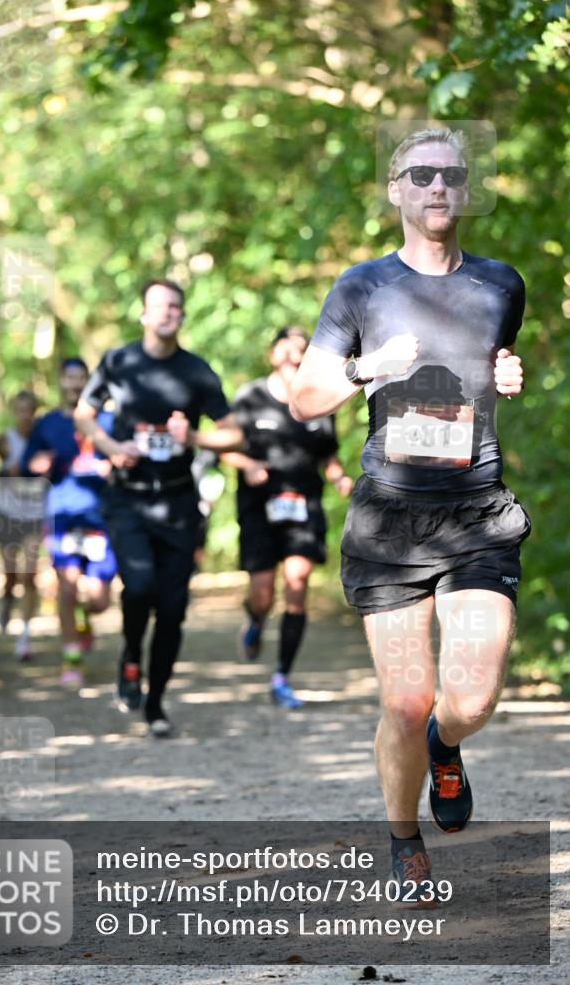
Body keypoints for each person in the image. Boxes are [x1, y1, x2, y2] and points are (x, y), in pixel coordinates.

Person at [290, 127, 528, 904]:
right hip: (389, 518)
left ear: (464, 190)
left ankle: (445, 746)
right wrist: (366, 369)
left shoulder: (500, 284)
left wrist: (507, 373)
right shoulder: (361, 289)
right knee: (403, 698)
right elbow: (303, 398)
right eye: (419, 174)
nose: (436, 187)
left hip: (475, 513)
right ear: (394, 190)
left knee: (469, 699)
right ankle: (402, 841)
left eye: (450, 175)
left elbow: (494, 365)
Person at [74, 278, 243, 737]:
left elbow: (233, 433)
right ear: (144, 314)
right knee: (139, 587)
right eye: (159, 306)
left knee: (171, 608)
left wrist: (195, 437)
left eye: (175, 307)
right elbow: (84, 414)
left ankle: (155, 703)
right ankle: (131, 655)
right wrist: (110, 445)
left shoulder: (197, 372)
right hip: (128, 496)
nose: (167, 313)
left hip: (177, 501)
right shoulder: (119, 361)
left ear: (182, 316)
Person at [222, 327, 353, 708]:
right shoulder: (250, 397)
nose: (295, 354)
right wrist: (246, 464)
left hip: (303, 504)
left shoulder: (317, 398)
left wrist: (338, 476)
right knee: (263, 593)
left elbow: (328, 453)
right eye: (287, 347)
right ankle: (257, 619)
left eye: (302, 348)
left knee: (297, 584)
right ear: (273, 353)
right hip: (259, 506)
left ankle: (282, 676)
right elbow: (223, 445)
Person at [20, 359, 117, 687]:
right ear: (60, 382)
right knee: (67, 586)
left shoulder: (107, 420)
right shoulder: (47, 424)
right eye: (69, 378)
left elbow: (128, 459)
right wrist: (37, 465)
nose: (75, 384)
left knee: (99, 600)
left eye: (81, 378)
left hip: (101, 518)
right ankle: (71, 658)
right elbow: (25, 466)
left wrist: (114, 466)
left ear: (90, 383)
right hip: (62, 515)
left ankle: (84, 621)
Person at [0, 390, 45, 660]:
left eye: (30, 410)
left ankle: (24, 638)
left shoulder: (43, 440)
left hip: (35, 515)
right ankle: (6, 601)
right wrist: (4, 474)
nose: (25, 415)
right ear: (14, 412)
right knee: (11, 575)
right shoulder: (4, 440)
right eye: (20, 410)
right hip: (6, 514)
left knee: (29, 575)